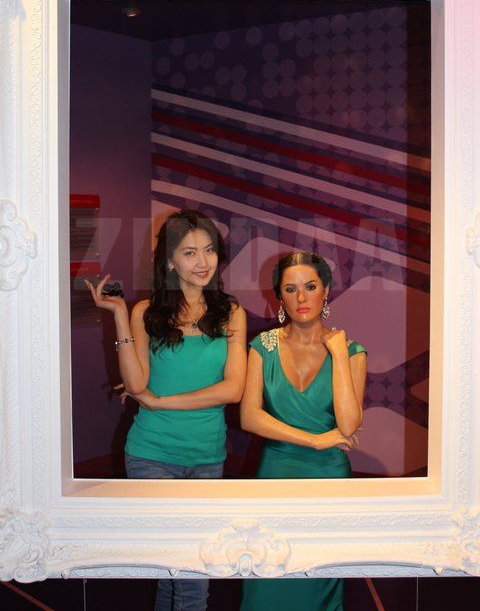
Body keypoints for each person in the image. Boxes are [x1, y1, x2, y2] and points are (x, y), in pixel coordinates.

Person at [85, 209, 247, 611]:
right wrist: (120, 315)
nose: (203, 262)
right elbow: (137, 384)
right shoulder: (145, 312)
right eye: (190, 253)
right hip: (151, 455)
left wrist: (161, 402)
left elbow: (233, 389)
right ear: (170, 261)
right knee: (185, 577)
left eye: (209, 250)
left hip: (208, 456)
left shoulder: (231, 313)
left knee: (181, 572)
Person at [240, 251, 367, 611]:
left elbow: (348, 424)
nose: (301, 298)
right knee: (265, 582)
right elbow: (249, 417)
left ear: (326, 291)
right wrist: (314, 439)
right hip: (275, 476)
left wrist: (338, 355)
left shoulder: (352, 352)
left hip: (328, 480)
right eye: (290, 289)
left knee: (318, 578)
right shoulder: (262, 347)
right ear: (279, 297)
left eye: (310, 287)